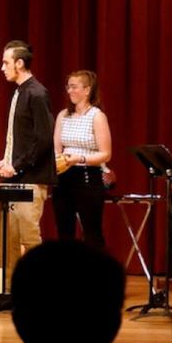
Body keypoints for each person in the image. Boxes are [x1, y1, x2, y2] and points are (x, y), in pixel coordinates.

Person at [0, 40, 55, 311]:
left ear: (20, 63)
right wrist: (7, 160)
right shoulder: (19, 92)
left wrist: (20, 165)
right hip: (16, 178)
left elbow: (43, 139)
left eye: (5, 62)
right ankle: (10, 295)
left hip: (31, 178)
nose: (2, 68)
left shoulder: (37, 93)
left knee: (29, 238)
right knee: (9, 239)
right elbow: (19, 137)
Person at [52, 69, 112, 250]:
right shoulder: (63, 115)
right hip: (63, 176)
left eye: (74, 87)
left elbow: (106, 154)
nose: (69, 91)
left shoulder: (97, 116)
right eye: (68, 87)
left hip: (88, 176)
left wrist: (81, 158)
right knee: (64, 233)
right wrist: (59, 160)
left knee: (92, 233)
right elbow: (56, 146)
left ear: (87, 90)